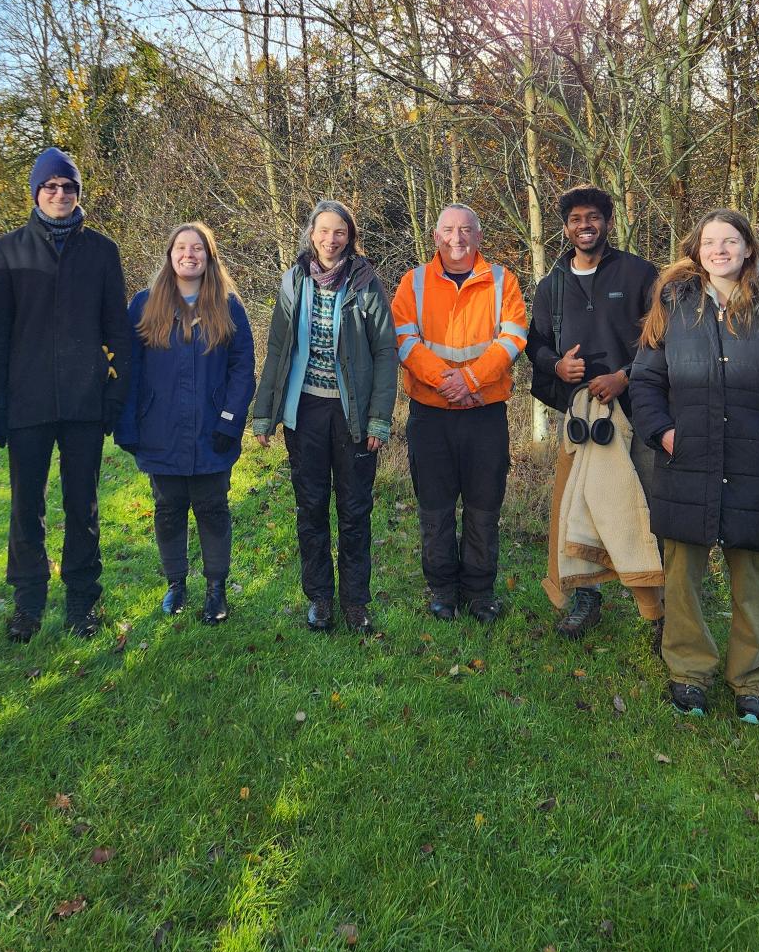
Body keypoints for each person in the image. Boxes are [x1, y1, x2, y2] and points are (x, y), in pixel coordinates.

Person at [630, 208, 759, 722]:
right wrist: (663, 432)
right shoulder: (674, 306)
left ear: (748, 249)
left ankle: (751, 683)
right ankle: (689, 675)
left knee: (752, 579)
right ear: (697, 250)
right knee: (682, 574)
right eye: (711, 242)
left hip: (756, 464)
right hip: (685, 460)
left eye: (730, 241)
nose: (720, 250)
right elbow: (645, 379)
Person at [0, 147, 130, 642]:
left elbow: (118, 331)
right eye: (51, 186)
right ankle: (28, 602)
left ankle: (83, 601)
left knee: (82, 504)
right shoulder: (7, 251)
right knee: (27, 506)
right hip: (27, 402)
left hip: (85, 402)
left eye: (69, 187)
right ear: (36, 192)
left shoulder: (102, 251)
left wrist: (115, 392)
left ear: (78, 193)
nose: (60, 194)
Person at [252, 200, 398, 633]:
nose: (331, 239)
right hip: (305, 413)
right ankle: (319, 598)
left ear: (350, 237)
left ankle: (355, 602)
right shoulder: (294, 281)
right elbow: (278, 348)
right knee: (311, 507)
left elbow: (386, 351)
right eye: (324, 231)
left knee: (354, 509)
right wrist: (264, 414)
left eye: (340, 232)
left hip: (351, 415)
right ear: (311, 234)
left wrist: (379, 418)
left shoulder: (366, 283)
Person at [526, 184, 663, 641]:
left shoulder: (641, 274)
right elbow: (536, 344)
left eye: (592, 218)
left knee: (642, 505)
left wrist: (625, 376)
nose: (584, 226)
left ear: (607, 221)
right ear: (564, 228)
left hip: (640, 411)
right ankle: (587, 600)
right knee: (580, 506)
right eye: (575, 220)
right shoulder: (552, 286)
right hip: (581, 418)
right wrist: (557, 366)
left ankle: (657, 607)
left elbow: (662, 339)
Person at [392, 204, 528, 622]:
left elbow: (513, 337)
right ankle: (442, 589)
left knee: (484, 505)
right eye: (449, 230)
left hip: (484, 414)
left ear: (479, 237)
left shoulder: (502, 280)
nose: (457, 238)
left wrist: (468, 382)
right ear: (435, 237)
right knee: (434, 505)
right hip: (430, 415)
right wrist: (446, 383)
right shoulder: (413, 282)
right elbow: (404, 341)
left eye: (466, 229)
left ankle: (480, 590)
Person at [116, 222, 255, 624]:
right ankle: (176, 583)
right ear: (170, 254)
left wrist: (229, 421)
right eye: (181, 247)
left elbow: (242, 368)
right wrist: (128, 426)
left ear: (209, 257)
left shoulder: (228, 306)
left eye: (198, 249)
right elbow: (131, 371)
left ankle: (216, 589)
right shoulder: (145, 305)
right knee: (169, 508)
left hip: (213, 432)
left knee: (213, 508)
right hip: (160, 431)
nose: (189, 254)